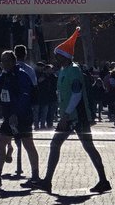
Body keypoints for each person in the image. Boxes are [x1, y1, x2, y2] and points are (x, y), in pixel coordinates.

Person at [36, 31, 110, 195]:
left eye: (58, 56)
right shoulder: (64, 70)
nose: (56, 58)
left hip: (76, 116)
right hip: (70, 115)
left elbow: (76, 94)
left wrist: (66, 115)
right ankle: (103, 180)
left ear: (65, 56)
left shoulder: (74, 70)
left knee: (75, 146)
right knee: (81, 146)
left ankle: (48, 181)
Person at [0, 50, 40, 187]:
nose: (4, 63)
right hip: (9, 117)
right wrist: (4, 112)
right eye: (2, 61)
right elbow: (4, 96)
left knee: (28, 144)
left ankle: (35, 176)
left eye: (7, 61)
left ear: (13, 61)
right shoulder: (4, 76)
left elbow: (25, 96)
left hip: (22, 116)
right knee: (0, 142)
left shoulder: (21, 75)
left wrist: (16, 114)